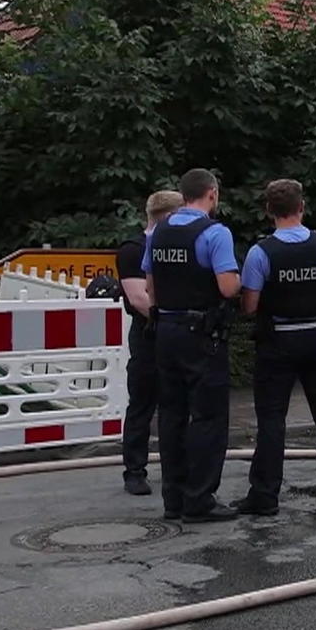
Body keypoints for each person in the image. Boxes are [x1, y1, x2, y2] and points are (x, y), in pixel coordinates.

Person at [230, 179, 316, 516]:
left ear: (268, 212)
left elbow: (249, 306)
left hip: (278, 341)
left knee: (272, 419)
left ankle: (264, 495)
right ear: (301, 208)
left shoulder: (261, 253)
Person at [144, 168, 241, 523]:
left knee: (170, 415)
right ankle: (199, 499)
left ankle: (173, 498)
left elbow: (150, 283)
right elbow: (228, 287)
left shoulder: (158, 232)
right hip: (200, 335)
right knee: (207, 416)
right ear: (212, 194)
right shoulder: (215, 233)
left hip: (165, 330)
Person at [115, 190, 183, 496]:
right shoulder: (134, 249)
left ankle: (178, 467)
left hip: (174, 333)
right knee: (142, 403)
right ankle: (134, 471)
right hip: (149, 336)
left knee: (178, 404)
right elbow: (139, 298)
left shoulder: (178, 246)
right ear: (169, 217)